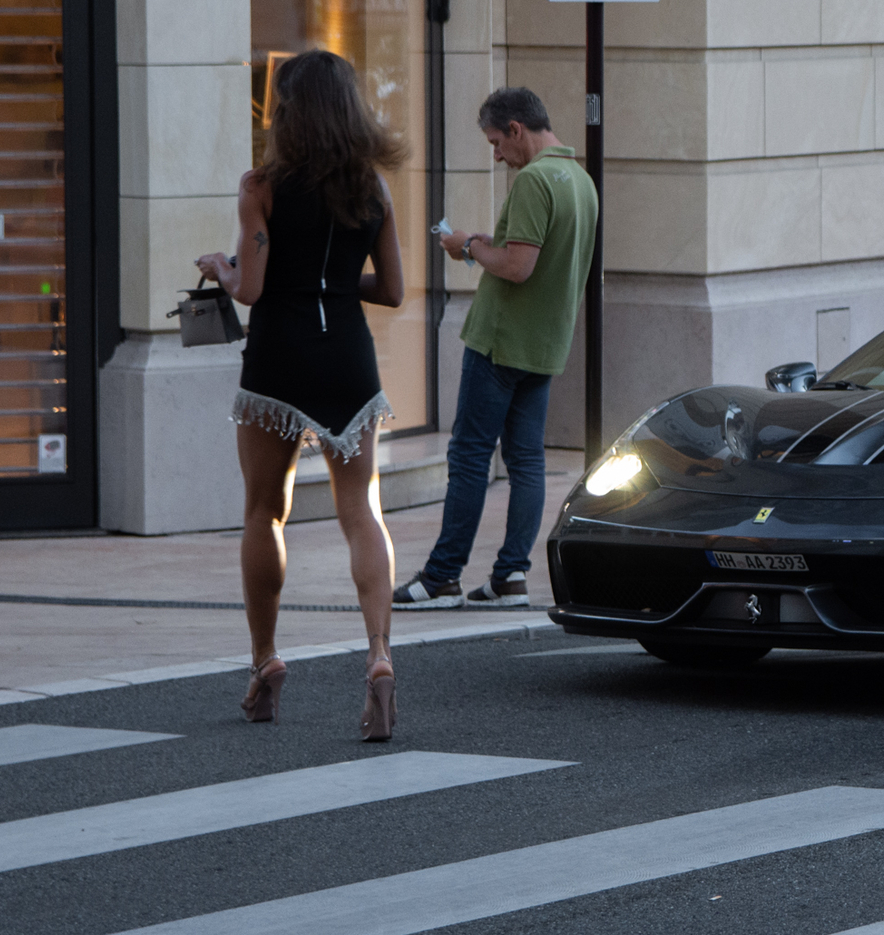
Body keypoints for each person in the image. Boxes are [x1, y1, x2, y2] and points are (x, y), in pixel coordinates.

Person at [197, 50, 408, 741]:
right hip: (348, 355)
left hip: (279, 358)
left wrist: (220, 269)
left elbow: (251, 289)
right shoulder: (372, 189)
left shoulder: (260, 186)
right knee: (361, 510)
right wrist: (339, 285)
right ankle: (378, 656)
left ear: (287, 110)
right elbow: (395, 291)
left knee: (265, 511)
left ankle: (266, 664)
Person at [394, 86, 597, 610]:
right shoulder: (581, 180)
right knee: (527, 461)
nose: (495, 154)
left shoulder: (534, 180)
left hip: (501, 341)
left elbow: (517, 266)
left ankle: (442, 576)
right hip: (545, 345)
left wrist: (467, 246)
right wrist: (491, 246)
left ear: (516, 129)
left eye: (495, 142)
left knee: (468, 456)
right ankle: (510, 576)